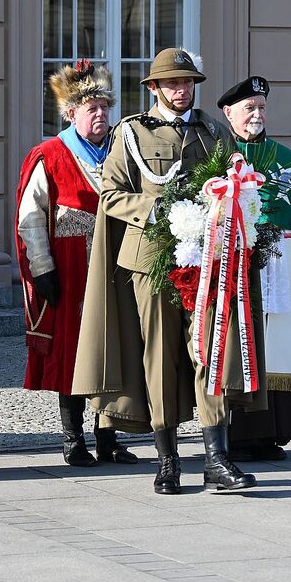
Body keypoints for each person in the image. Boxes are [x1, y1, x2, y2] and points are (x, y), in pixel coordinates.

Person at [72, 48, 264, 495]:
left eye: (189, 83)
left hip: (208, 260)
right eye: (173, 83)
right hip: (151, 262)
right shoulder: (133, 133)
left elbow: (234, 186)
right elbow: (110, 196)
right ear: (155, 88)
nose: (183, 90)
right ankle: (168, 460)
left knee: (211, 353)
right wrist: (160, 208)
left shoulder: (213, 132)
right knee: (160, 358)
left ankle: (217, 459)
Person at [14, 59, 136, 467]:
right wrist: (42, 267)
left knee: (114, 348)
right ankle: (72, 438)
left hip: (116, 266)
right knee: (74, 353)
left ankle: (109, 437)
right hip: (71, 269)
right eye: (92, 109)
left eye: (105, 107)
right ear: (71, 113)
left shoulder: (122, 151)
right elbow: (31, 217)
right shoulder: (49, 154)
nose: (101, 115)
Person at [217, 76, 291, 460]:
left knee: (277, 345)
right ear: (229, 113)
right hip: (233, 264)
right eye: (250, 108)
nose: (257, 115)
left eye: (262, 108)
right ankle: (236, 436)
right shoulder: (217, 156)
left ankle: (272, 433)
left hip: (281, 265)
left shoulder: (286, 158)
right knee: (238, 344)